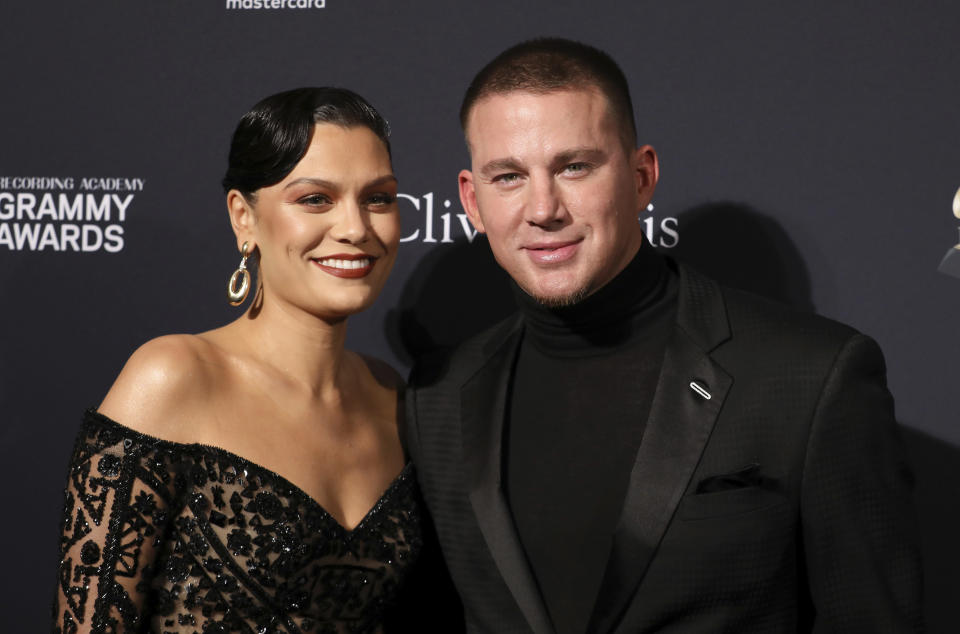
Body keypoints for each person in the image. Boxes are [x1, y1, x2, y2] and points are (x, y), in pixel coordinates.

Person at [405, 38, 923, 633]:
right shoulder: (437, 398)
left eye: (574, 166)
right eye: (509, 177)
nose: (543, 208)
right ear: (472, 200)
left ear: (641, 175)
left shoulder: (812, 376)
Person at [53, 87, 423, 633]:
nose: (356, 228)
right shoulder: (173, 376)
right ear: (243, 218)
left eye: (379, 198)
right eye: (315, 199)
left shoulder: (392, 396)